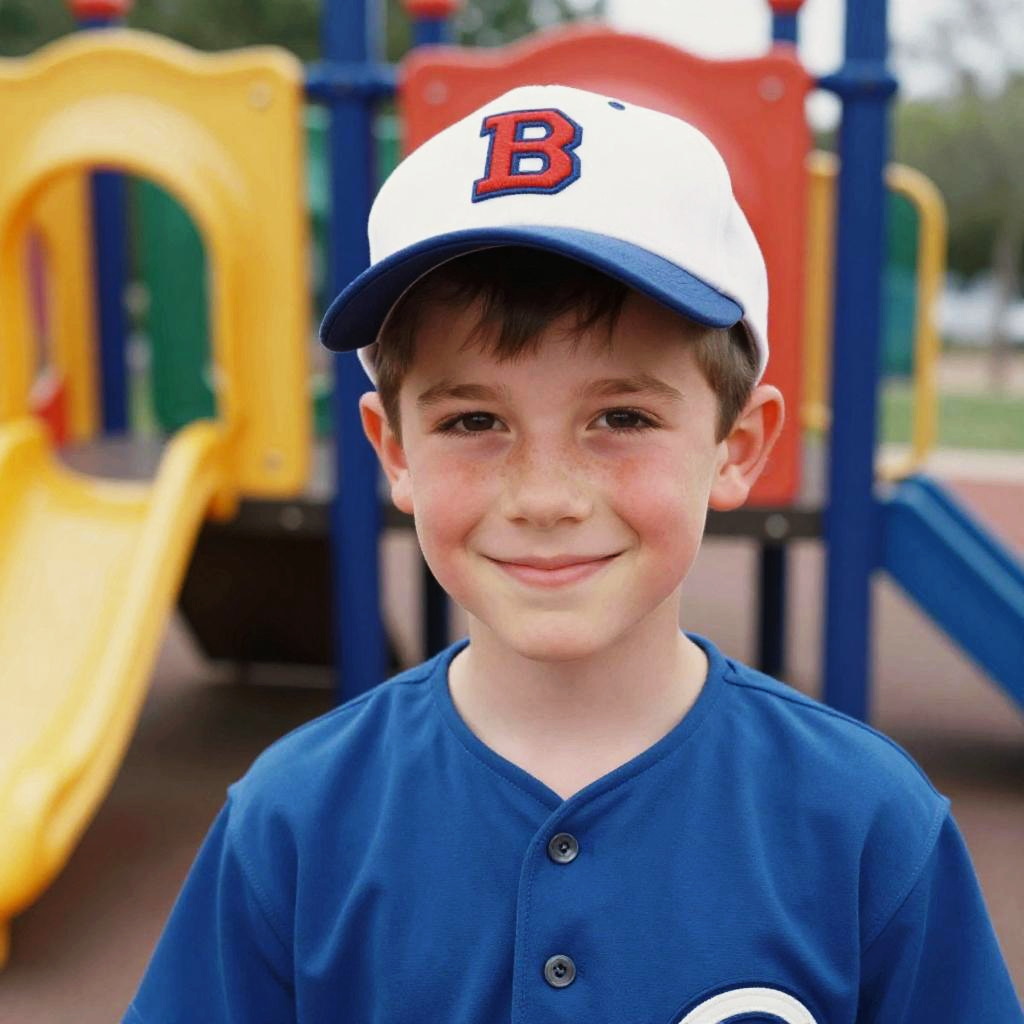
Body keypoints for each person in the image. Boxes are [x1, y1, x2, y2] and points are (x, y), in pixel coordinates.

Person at [123, 84, 1022, 1023]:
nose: (545, 498)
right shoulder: (293, 823)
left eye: (621, 418)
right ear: (394, 452)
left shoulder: (866, 823)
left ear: (738, 445)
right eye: (474, 421)